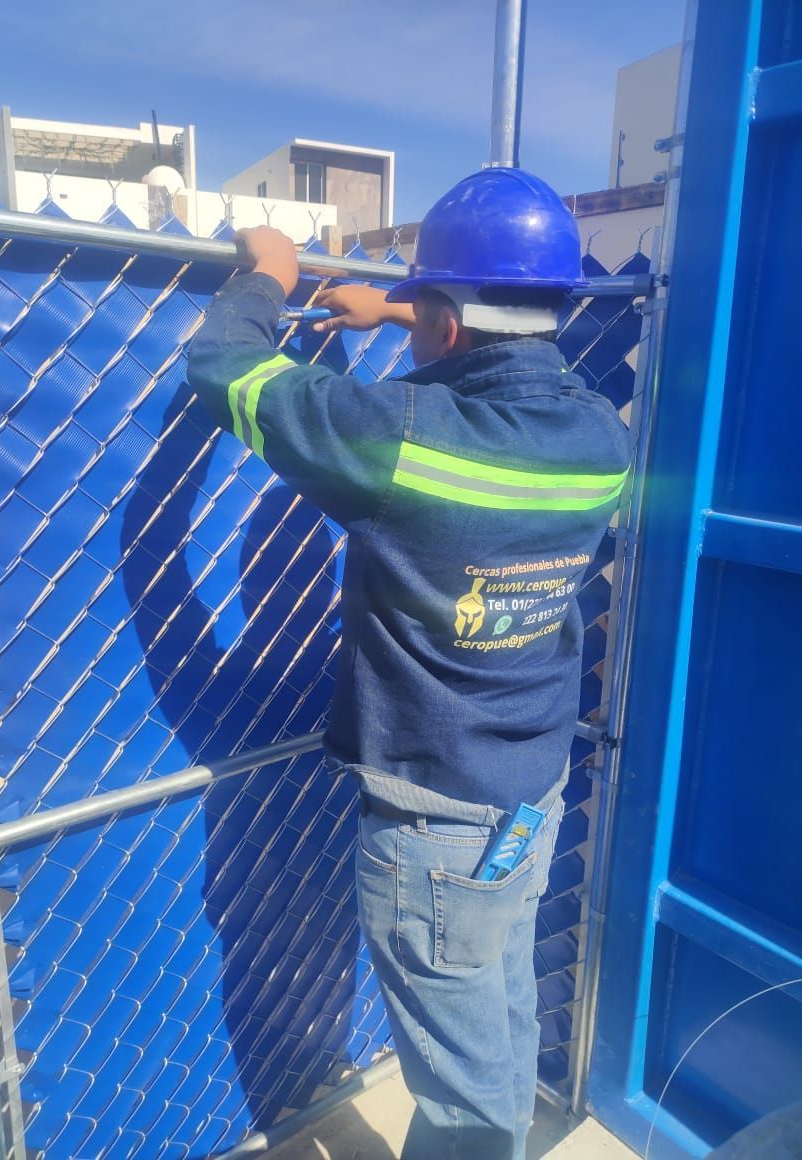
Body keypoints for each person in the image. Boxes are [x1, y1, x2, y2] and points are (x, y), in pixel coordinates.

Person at [187, 167, 630, 1159]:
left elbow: (222, 367)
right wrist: (397, 309)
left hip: (432, 823)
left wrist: (268, 274)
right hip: (527, 797)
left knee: (464, 1101)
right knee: (500, 1032)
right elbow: (488, 380)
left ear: (444, 319)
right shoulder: (600, 438)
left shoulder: (400, 443)